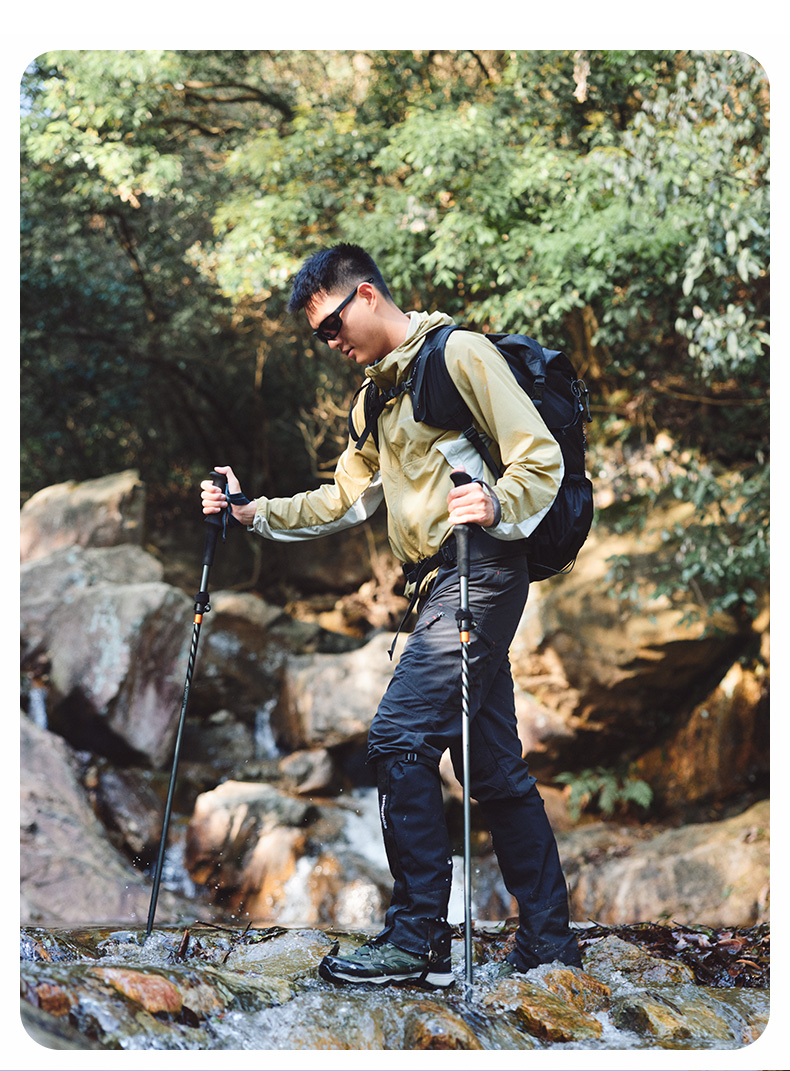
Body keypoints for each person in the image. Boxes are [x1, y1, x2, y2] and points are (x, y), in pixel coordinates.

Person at [201, 242, 582, 987]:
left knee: (399, 736)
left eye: (332, 326)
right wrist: (253, 512)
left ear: (368, 295)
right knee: (491, 766)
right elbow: (344, 498)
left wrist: (497, 500)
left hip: (482, 568)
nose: (331, 343)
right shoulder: (373, 398)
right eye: (320, 336)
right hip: (437, 584)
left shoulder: (459, 355)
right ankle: (548, 943)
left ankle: (416, 937)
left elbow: (539, 456)